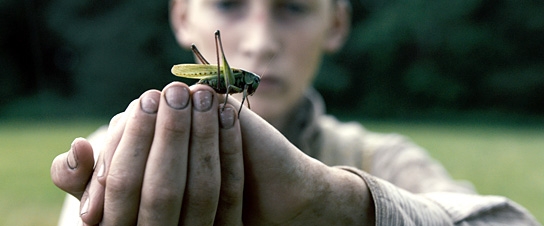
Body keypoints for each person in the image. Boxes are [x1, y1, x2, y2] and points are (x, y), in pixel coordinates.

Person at [51, 0, 541, 225]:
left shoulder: (380, 157)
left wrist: (342, 206)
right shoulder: (126, 145)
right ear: (181, 16)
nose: (261, 44)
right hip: (205, 81)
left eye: (293, 9)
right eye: (229, 5)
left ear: (338, 22)